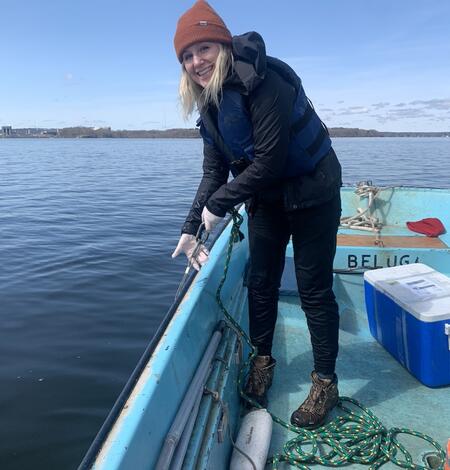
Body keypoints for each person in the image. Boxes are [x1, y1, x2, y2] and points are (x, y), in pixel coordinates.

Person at [171, 0, 342, 429]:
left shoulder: (267, 82)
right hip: (267, 199)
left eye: (204, 48)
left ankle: (325, 382)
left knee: (313, 289)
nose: (197, 61)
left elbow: (268, 159)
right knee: (261, 284)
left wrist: (219, 204)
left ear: (224, 45)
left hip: (313, 193)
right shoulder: (210, 105)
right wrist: (191, 228)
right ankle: (263, 361)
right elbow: (214, 171)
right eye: (187, 55)